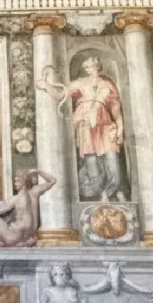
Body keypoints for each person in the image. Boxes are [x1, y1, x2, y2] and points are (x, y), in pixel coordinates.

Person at [39, 57, 127, 201]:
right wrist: (46, 86)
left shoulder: (107, 84)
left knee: (112, 159)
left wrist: (120, 129)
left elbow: (116, 108)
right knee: (91, 161)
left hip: (104, 124)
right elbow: (61, 94)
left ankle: (113, 189)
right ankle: (99, 193)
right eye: (86, 68)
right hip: (84, 123)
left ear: (98, 67)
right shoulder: (80, 83)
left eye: (91, 67)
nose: (89, 70)